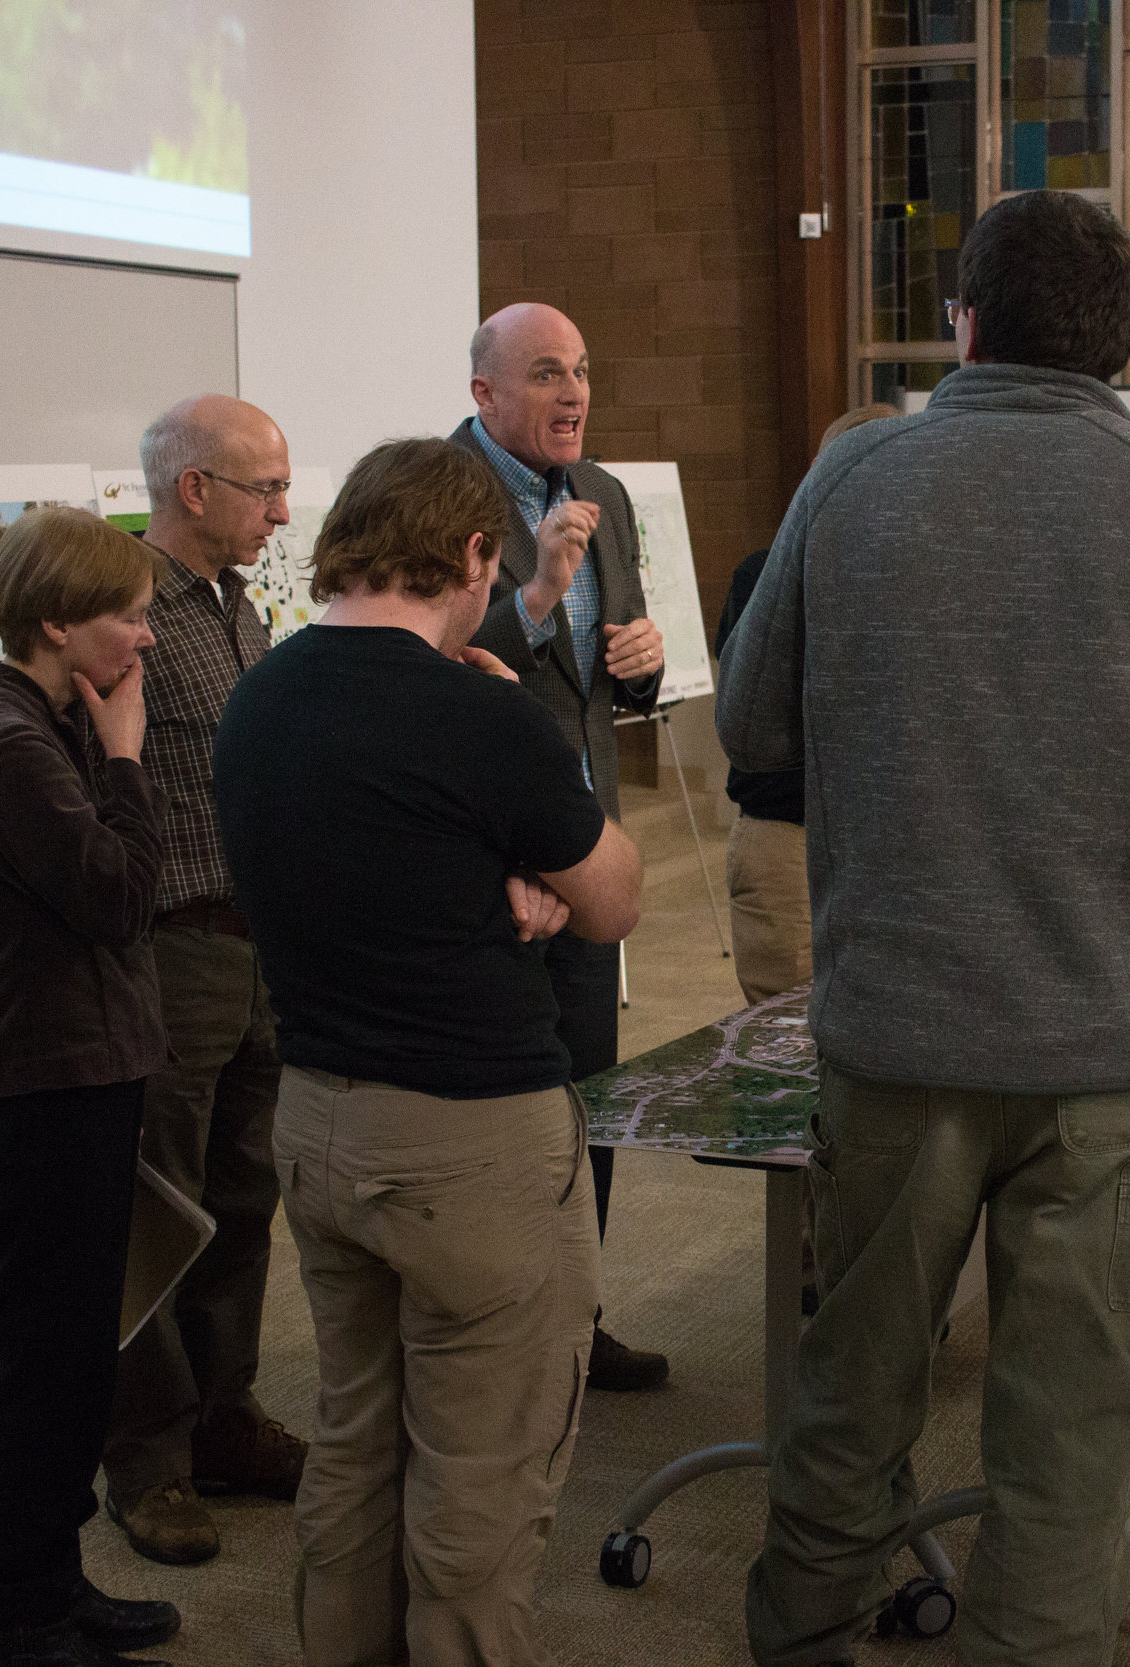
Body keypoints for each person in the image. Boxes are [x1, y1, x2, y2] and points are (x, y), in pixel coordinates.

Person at [720, 188, 1130, 1667]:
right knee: (1068, 1444)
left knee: (851, 1388)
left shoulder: (851, 481)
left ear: (962, 321)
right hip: (1104, 1053)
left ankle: (800, 1638)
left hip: (895, 1035)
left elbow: (747, 720)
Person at [213, 436, 644, 1667]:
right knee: (483, 1480)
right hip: (470, 1140)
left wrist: (487, 879)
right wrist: (533, 787)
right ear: (471, 552)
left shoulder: (264, 690)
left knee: (354, 1445)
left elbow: (342, 871)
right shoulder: (474, 710)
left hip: (316, 1115)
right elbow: (612, 895)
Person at [0, 506, 181, 1667]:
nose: (144, 635)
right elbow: (119, 895)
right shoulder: (6, 740)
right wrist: (127, 756)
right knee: (47, 1361)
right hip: (35, 1091)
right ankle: (22, 1614)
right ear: (54, 622)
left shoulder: (42, 719)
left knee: (79, 1353)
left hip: (77, 1076)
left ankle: (53, 1577)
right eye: (124, 613)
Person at [101, 393, 308, 1567]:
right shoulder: (118, 607)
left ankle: (225, 1415)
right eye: (262, 489)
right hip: (170, 950)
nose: (282, 512)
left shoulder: (239, 608)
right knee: (158, 1209)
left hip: (256, 946)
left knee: (242, 1194)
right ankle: (149, 1459)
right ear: (192, 489)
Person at [454, 301, 670, 1392]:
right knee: (496, 1110)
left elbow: (611, 677)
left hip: (585, 845)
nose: (575, 392)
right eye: (546, 373)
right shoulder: (433, 492)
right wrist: (536, 592)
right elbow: (432, 666)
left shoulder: (611, 495)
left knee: (592, 1092)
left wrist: (641, 657)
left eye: (582, 370)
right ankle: (500, 1333)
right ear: (484, 392)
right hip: (485, 857)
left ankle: (577, 1318)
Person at [716, 402, 899, 1011]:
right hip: (787, 838)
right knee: (787, 1036)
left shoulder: (909, 581)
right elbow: (750, 719)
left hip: (882, 840)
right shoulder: (764, 576)